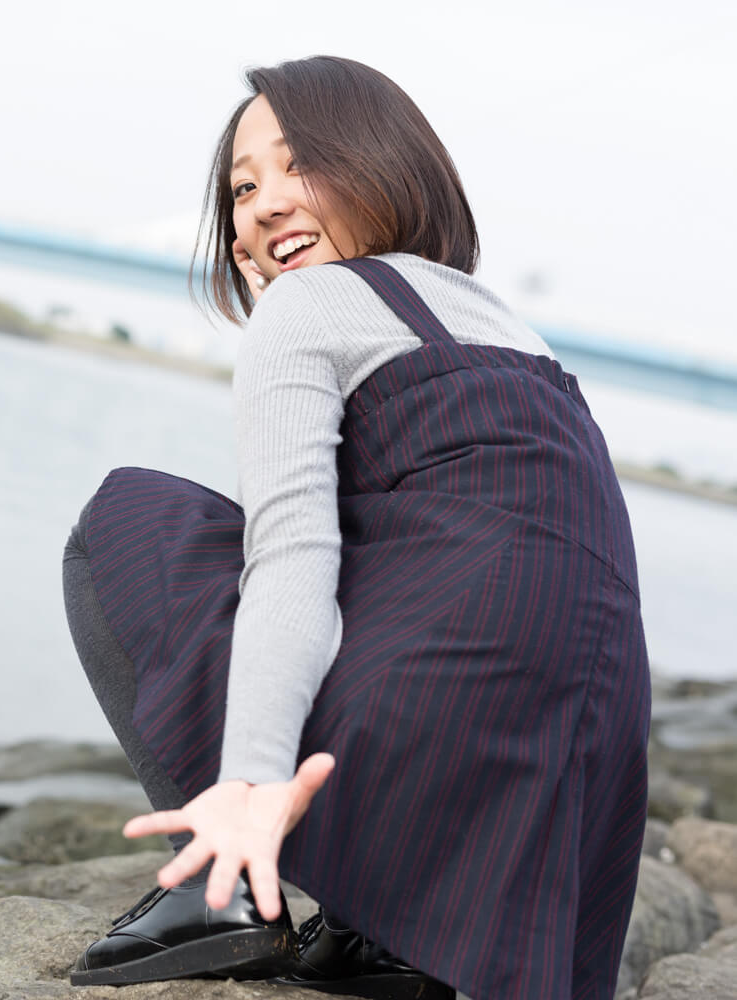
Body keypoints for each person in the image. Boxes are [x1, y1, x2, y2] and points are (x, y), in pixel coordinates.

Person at [61, 56, 650, 1000]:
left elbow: (294, 560)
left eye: (298, 166)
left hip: (423, 712)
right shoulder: (517, 334)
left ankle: (232, 889)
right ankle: (396, 935)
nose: (261, 207)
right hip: (569, 774)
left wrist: (248, 790)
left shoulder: (306, 306)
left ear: (382, 160)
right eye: (242, 189)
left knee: (127, 517)